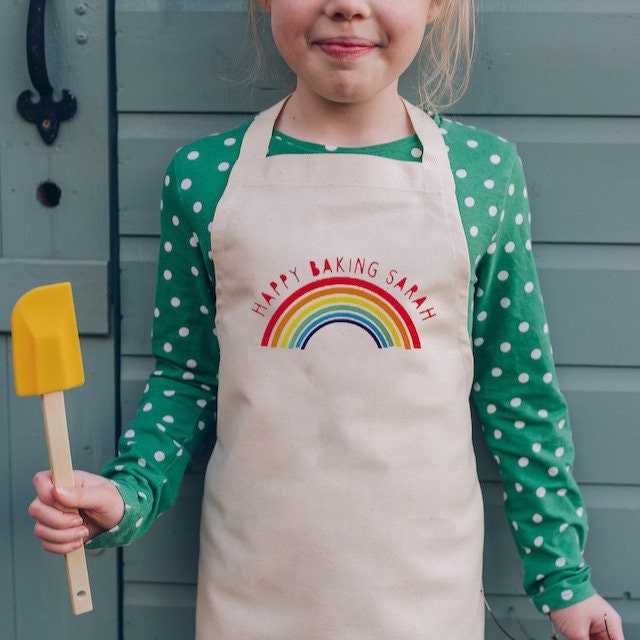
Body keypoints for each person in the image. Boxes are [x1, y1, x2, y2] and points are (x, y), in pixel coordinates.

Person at [28, 1, 624, 638]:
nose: (346, 5)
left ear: (437, 5)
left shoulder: (484, 175)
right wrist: (127, 498)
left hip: (424, 594)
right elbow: (188, 379)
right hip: (253, 591)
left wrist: (564, 581)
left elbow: (518, 395)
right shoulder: (205, 178)